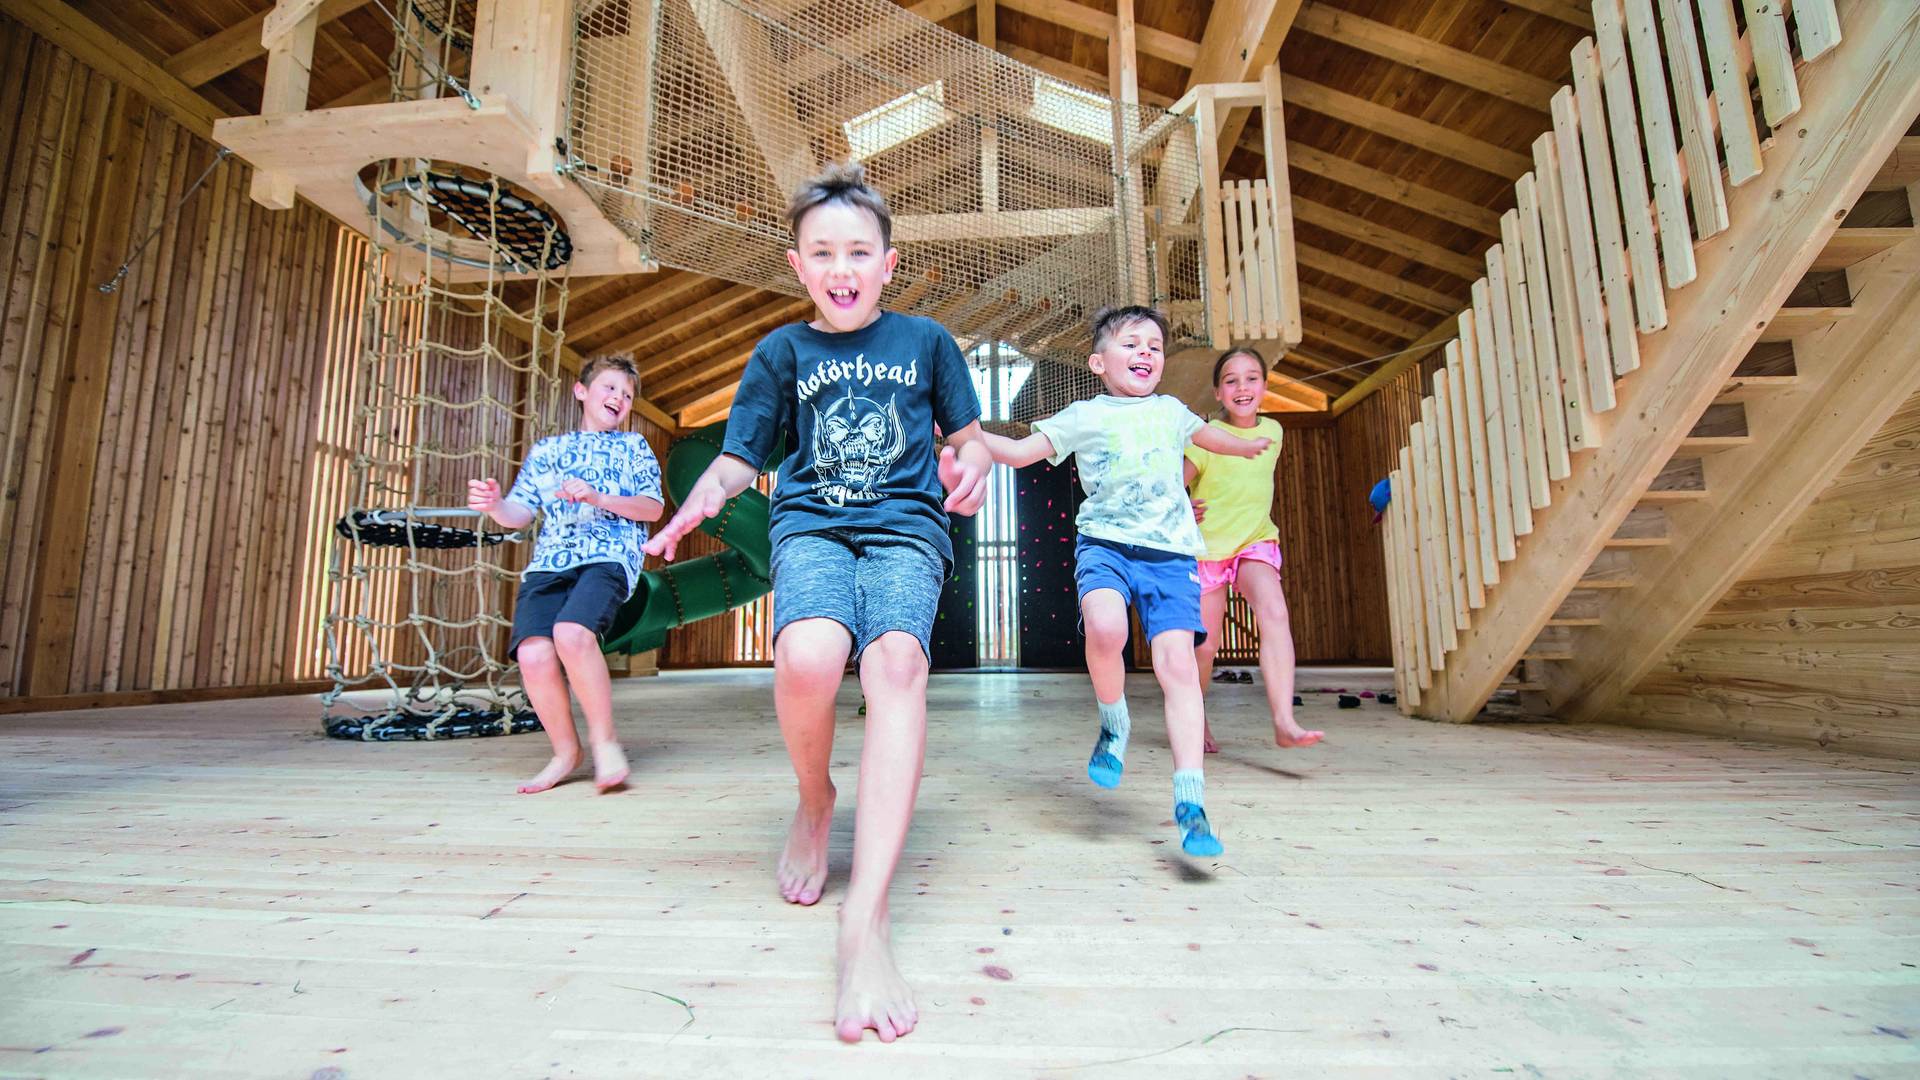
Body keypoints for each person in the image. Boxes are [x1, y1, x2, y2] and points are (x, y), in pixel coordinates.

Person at [644, 162, 991, 1044]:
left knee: (895, 664)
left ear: (888, 263)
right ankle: (814, 799)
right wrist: (698, 501)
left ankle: (864, 920)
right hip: (812, 527)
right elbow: (739, 458)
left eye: (860, 252)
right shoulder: (781, 353)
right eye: (824, 252)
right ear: (798, 265)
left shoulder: (927, 342)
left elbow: (969, 438)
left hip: (907, 529)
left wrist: (976, 464)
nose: (843, 267)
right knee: (808, 657)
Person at [977, 305, 1269, 858]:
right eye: (1131, 344)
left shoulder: (1171, 411)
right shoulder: (1083, 415)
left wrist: (1246, 444)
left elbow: (1211, 436)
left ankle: (1191, 801)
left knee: (1178, 667)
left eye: (1154, 347)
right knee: (1106, 629)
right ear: (1098, 362)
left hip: (1170, 556)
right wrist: (961, 432)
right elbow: (1015, 454)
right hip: (1106, 547)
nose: (1145, 353)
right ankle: (1114, 724)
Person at [467, 354, 664, 794]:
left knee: (572, 634)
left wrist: (598, 498)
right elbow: (519, 513)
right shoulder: (547, 451)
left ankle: (605, 742)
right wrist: (495, 505)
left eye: (627, 395)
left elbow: (652, 508)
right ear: (581, 391)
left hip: (608, 556)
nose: (619, 398)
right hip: (550, 562)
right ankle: (565, 753)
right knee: (533, 655)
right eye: (610, 387)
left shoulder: (633, 447)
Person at [1185, 348, 1324, 753]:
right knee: (1205, 646)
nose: (1242, 387)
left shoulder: (1274, 432)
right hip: (1207, 551)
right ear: (1217, 392)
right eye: (1231, 380)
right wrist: (1182, 506)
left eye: (1251, 378)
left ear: (1264, 386)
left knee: (1275, 612)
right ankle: (1196, 719)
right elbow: (1175, 485)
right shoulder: (1206, 437)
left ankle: (1284, 720)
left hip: (1254, 542)